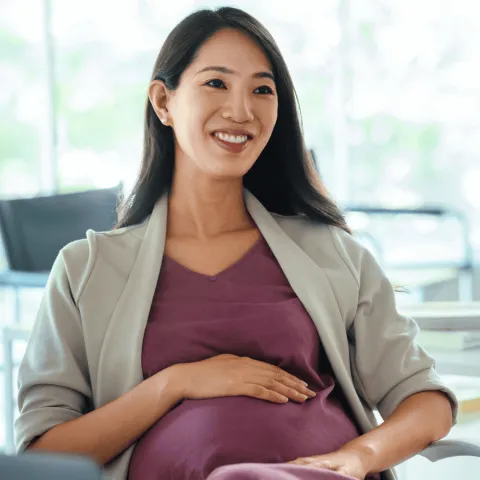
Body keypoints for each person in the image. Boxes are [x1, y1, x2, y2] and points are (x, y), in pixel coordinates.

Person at [15, 7, 457, 480]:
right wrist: (176, 384)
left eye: (262, 90)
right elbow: (44, 451)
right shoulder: (86, 270)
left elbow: (426, 400)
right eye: (216, 83)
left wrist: (360, 457)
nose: (241, 111)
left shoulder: (331, 254)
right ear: (163, 101)